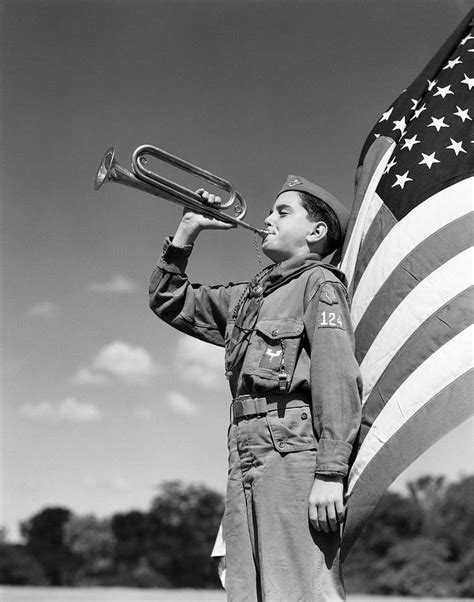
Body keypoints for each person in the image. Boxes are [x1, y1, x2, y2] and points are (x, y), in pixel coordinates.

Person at [149, 175, 362, 601]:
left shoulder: (319, 283)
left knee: (298, 588)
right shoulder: (248, 297)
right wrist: (188, 229)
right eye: (270, 211)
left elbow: (336, 375)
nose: (267, 219)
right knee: (247, 591)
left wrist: (330, 472)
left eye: (283, 212)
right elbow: (167, 297)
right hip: (244, 448)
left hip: (293, 450)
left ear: (316, 232)